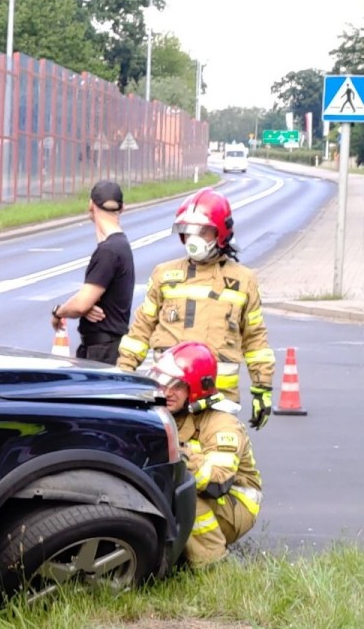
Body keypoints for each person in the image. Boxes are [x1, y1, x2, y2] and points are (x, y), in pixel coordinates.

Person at [117, 188, 275, 427]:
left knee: (218, 460)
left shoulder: (243, 280)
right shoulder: (164, 275)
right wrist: (124, 375)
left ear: (221, 232)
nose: (193, 240)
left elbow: (255, 340)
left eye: (202, 231)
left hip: (218, 402)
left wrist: (262, 388)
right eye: (187, 233)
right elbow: (140, 330)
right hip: (169, 397)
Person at [149, 341, 262, 566]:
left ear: (196, 387)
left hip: (234, 503)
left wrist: (180, 454)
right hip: (212, 493)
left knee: (185, 497)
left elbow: (218, 482)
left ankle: (211, 565)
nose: (167, 392)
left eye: (177, 385)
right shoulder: (173, 411)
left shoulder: (222, 424)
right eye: (163, 382)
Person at [50, 180, 135, 364]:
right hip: (108, 348)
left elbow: (81, 303)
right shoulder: (120, 245)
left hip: (102, 351)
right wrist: (85, 306)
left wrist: (59, 312)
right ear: (122, 208)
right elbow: (87, 301)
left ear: (91, 205)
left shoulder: (108, 251)